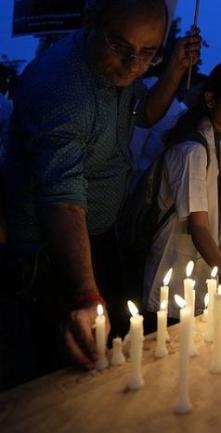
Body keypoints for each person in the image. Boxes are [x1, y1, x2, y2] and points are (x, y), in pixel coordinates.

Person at [0, 0, 200, 383]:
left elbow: (146, 115)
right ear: (90, 19)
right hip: (51, 255)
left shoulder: (115, 70)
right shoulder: (62, 89)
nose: (133, 65)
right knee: (62, 372)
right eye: (122, 48)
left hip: (98, 236)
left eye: (148, 54)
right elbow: (62, 198)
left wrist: (174, 67)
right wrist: (84, 296)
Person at [143, 60, 221, 318]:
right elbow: (199, 227)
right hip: (171, 273)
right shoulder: (193, 150)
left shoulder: (216, 142)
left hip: (197, 271)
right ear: (210, 100)